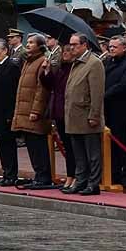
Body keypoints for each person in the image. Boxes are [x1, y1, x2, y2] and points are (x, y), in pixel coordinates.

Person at [63, 33, 106, 195]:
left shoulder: (94, 63)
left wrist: (94, 115)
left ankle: (93, 183)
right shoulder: (75, 63)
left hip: (87, 117)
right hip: (74, 117)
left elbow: (97, 93)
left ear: (84, 45)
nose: (71, 47)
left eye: (74, 44)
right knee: (79, 154)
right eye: (70, 44)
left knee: (93, 154)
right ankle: (81, 181)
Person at [12, 34, 54, 189]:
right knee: (31, 145)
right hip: (25, 110)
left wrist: (36, 110)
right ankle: (38, 174)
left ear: (39, 45)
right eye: (27, 42)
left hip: (34, 113)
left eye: (31, 43)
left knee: (38, 146)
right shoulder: (28, 62)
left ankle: (44, 176)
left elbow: (41, 89)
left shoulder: (41, 61)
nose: (28, 45)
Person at [104, 36, 126, 191]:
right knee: (110, 144)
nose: (111, 49)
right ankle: (113, 174)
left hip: (121, 109)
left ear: (124, 48)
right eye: (110, 47)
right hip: (108, 110)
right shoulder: (107, 63)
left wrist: (105, 93)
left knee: (123, 143)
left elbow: (125, 85)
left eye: (115, 47)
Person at [41, 43, 76, 188]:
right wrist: (46, 71)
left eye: (68, 51)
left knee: (74, 147)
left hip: (71, 113)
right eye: (63, 51)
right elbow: (51, 85)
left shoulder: (74, 69)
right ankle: (70, 175)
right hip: (59, 112)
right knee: (67, 146)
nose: (65, 53)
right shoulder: (61, 69)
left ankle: (75, 176)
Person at [0, 39, 21, 186]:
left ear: (5, 50)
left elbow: (13, 93)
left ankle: (12, 174)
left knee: (9, 145)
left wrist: (11, 114)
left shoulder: (12, 67)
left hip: (6, 113)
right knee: (1, 145)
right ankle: (6, 173)